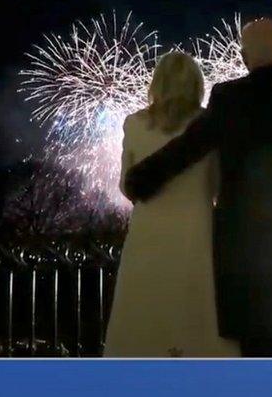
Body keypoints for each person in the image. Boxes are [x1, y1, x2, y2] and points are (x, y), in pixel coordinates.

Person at [123, 17, 272, 357]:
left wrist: (140, 181)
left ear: (242, 56)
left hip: (244, 256)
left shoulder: (228, 98)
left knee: (255, 355)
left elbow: (186, 149)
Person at [104, 51, 240, 357]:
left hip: (147, 233)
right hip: (197, 232)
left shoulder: (135, 123)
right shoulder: (209, 124)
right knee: (198, 315)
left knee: (143, 316)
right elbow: (219, 185)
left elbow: (128, 185)